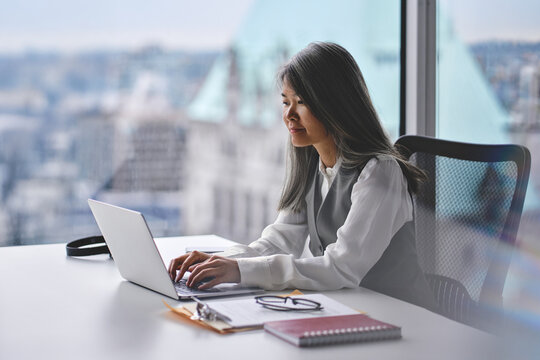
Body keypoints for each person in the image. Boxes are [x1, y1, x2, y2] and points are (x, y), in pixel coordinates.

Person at [168, 42, 436, 309]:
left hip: (401, 318)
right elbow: (280, 241)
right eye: (285, 102)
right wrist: (223, 261)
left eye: (301, 103)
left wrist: (240, 270)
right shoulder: (311, 162)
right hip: (349, 310)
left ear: (335, 105)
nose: (289, 115)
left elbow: (340, 267)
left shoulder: (380, 172)